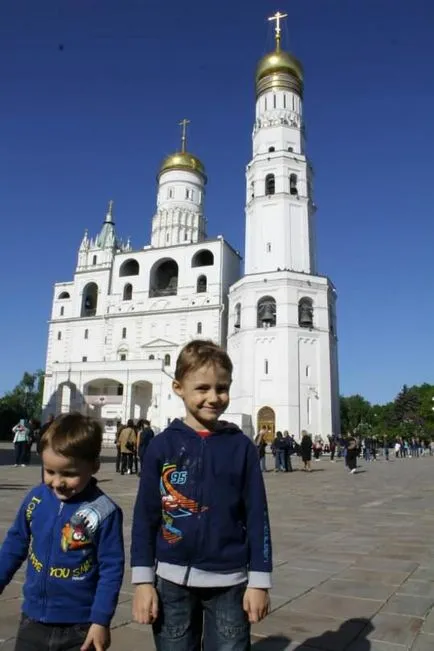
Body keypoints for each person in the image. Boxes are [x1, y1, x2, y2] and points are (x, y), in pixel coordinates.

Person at [131, 339, 272, 651]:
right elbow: (145, 517)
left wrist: (259, 581)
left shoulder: (240, 447)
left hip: (230, 581)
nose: (213, 397)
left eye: (221, 388)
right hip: (171, 580)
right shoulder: (162, 446)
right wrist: (143, 581)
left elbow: (257, 516)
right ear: (178, 388)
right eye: (202, 388)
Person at [0, 412, 124, 651]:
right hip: (33, 620)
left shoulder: (104, 512)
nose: (57, 482)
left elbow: (111, 568)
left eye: (69, 474)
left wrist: (100, 620)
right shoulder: (35, 499)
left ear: (94, 466)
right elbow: (15, 544)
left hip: (80, 625)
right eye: (49, 471)